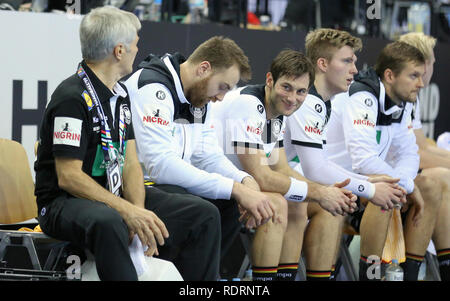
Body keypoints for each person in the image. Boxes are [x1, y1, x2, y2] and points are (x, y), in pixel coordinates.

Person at [34, 6, 220, 281]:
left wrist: (139, 211)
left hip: (110, 193)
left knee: (203, 214)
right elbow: (69, 177)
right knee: (110, 221)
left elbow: (131, 162)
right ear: (119, 51)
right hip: (63, 203)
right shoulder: (71, 97)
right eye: (135, 43)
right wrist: (126, 210)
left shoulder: (120, 95)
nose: (138, 49)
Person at [124, 36, 276, 278]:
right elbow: (160, 165)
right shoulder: (153, 88)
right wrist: (234, 188)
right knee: (204, 211)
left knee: (231, 205)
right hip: (136, 189)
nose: (221, 98)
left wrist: (244, 180)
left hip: (167, 188)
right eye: (223, 87)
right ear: (204, 68)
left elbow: (207, 156)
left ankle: (193, 277)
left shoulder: (196, 97)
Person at [210, 49, 358, 281]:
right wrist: (321, 192)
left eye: (301, 92)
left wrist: (330, 193)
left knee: (302, 202)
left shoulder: (277, 113)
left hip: (236, 183)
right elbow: (262, 176)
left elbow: (282, 169)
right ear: (270, 80)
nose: (292, 98)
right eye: (286, 87)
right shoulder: (249, 104)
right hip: (210, 183)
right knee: (278, 203)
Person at [283, 28, 406, 281]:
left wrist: (371, 182)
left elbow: (321, 165)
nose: (354, 70)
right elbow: (316, 170)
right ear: (323, 64)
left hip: (282, 178)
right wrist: (370, 189)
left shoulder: (323, 102)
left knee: (334, 201)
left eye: (355, 62)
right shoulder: (307, 100)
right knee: (331, 200)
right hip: (261, 181)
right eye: (347, 61)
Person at [325, 41, 443, 281]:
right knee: (384, 192)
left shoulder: (402, 102)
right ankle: (369, 276)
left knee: (430, 187)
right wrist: (404, 187)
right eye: (413, 76)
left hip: (365, 186)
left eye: (421, 75)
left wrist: (406, 185)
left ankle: (410, 275)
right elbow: (363, 160)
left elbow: (409, 153)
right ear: (390, 75)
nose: (421, 83)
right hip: (335, 184)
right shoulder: (362, 96)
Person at [398, 32, 450, 281]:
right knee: (439, 178)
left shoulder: (412, 96)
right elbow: (420, 154)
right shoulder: (400, 93)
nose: (432, 67)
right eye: (432, 61)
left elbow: (422, 146)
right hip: (380, 180)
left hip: (398, 174)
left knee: (441, 177)